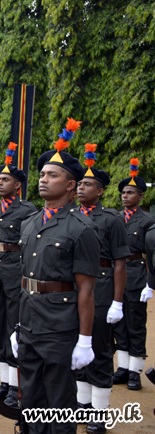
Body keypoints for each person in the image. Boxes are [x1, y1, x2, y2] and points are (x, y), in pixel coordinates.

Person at [11, 118, 100, 434]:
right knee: (31, 397)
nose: (43, 179)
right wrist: (17, 326)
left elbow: (86, 290)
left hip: (60, 327)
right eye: (42, 174)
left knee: (60, 401)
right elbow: (24, 280)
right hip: (30, 323)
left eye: (53, 175)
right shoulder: (30, 223)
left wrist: (85, 341)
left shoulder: (81, 229)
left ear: (71, 185)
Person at [74, 143, 129, 434]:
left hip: (103, 285)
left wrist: (117, 302)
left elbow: (120, 263)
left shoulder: (111, 219)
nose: (82, 188)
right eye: (80, 182)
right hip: (76, 285)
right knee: (79, 347)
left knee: (100, 348)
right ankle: (82, 404)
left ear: (101, 190)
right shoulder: (71, 214)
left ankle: (99, 410)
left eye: (89, 184)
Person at [0, 142, 36, 409]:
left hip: (17, 273)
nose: (0, 183)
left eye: (6, 179)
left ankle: (17, 388)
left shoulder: (28, 210)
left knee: (16, 329)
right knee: (0, 329)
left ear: (18, 185)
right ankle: (4, 384)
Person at [112, 158, 154, 391]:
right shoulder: (115, 218)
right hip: (116, 274)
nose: (125, 196)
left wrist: (150, 282)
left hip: (137, 272)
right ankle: (123, 367)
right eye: (124, 192)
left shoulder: (148, 220)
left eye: (131, 192)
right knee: (118, 323)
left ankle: (135, 371)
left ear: (141, 197)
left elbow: (151, 253)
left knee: (136, 322)